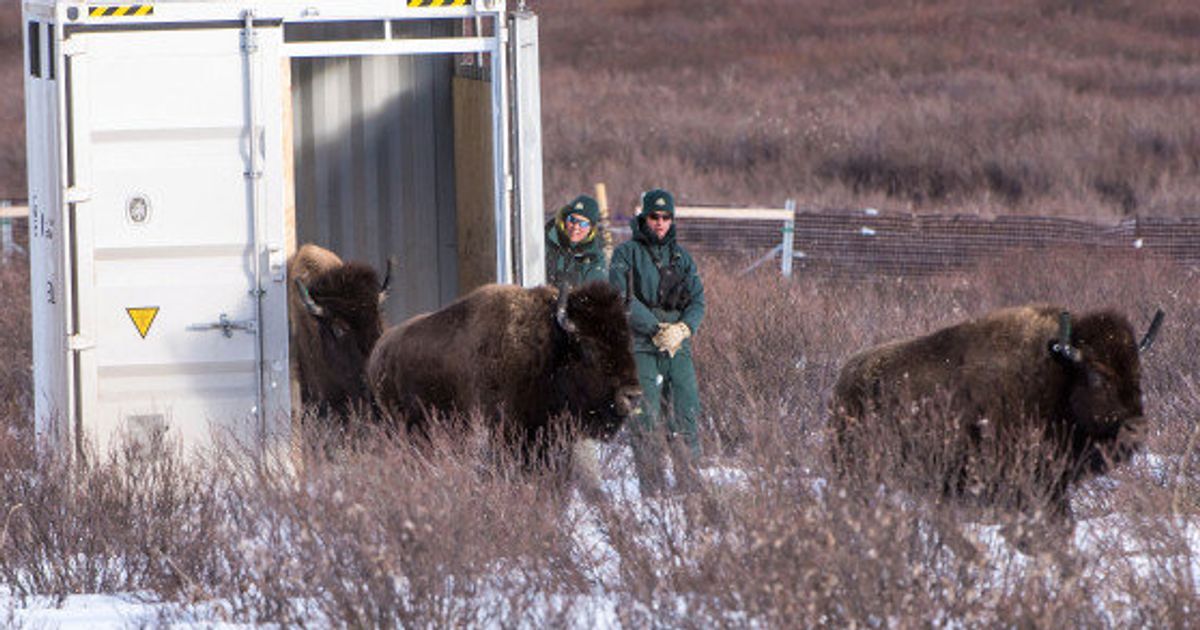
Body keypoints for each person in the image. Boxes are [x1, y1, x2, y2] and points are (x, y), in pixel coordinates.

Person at [609, 188, 706, 493]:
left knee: (686, 413)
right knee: (645, 419)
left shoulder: (682, 257)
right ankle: (652, 489)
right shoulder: (627, 254)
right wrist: (655, 328)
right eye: (654, 216)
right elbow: (623, 297)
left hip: (677, 346)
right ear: (644, 217)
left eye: (666, 217)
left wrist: (683, 329)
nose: (660, 222)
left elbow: (698, 300)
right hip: (642, 346)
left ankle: (689, 483)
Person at [545, 194, 606, 288]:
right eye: (572, 219)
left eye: (583, 224)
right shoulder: (547, 242)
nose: (576, 227)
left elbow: (596, 291)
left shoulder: (594, 257)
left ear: (591, 228)